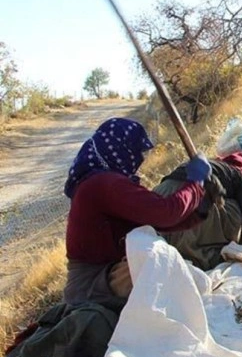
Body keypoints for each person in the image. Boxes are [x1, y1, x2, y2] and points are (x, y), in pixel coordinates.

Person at [63, 118, 212, 310]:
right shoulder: (103, 184)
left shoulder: (103, 182)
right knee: (169, 275)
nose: (139, 159)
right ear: (121, 149)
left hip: (107, 276)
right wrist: (195, 184)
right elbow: (165, 213)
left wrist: (199, 210)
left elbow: (156, 222)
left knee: (195, 282)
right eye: (136, 151)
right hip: (93, 283)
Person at [153, 151, 242, 271]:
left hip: (161, 198)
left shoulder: (211, 165)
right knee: (235, 207)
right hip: (190, 199)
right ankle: (200, 253)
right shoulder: (239, 175)